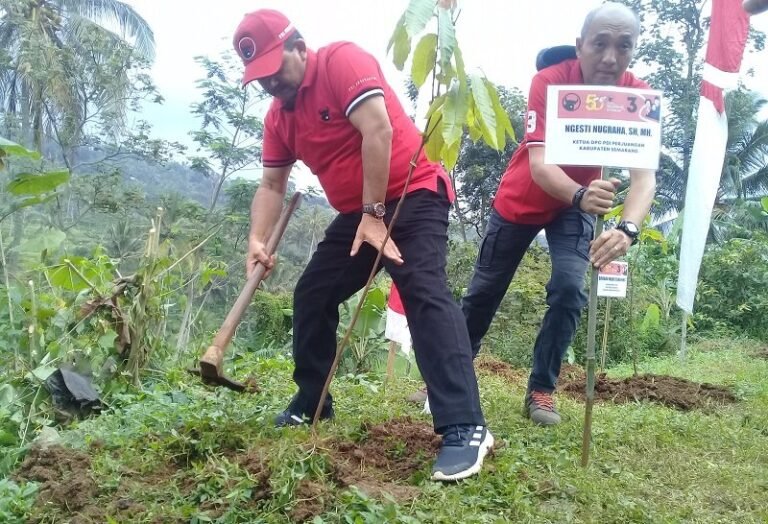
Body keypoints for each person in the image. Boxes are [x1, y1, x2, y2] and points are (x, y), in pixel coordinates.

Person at [232, 9, 492, 481]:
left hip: (414, 191)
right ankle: (313, 400)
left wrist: (375, 215)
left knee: (423, 292)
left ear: (298, 46)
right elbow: (271, 184)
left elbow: (379, 130)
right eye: (260, 77)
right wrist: (257, 238)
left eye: (275, 68)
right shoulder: (280, 118)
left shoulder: (340, 63)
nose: (271, 83)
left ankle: (465, 427)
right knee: (313, 293)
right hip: (359, 214)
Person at [461, 2, 656, 426]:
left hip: (578, 208)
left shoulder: (637, 96)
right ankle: (450, 376)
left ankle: (541, 391)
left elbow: (645, 180)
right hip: (525, 200)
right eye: (599, 44)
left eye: (624, 46)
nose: (610, 58)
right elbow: (539, 164)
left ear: (634, 50)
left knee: (571, 290)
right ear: (579, 46)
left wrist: (628, 228)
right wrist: (581, 194)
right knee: (483, 294)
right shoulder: (549, 82)